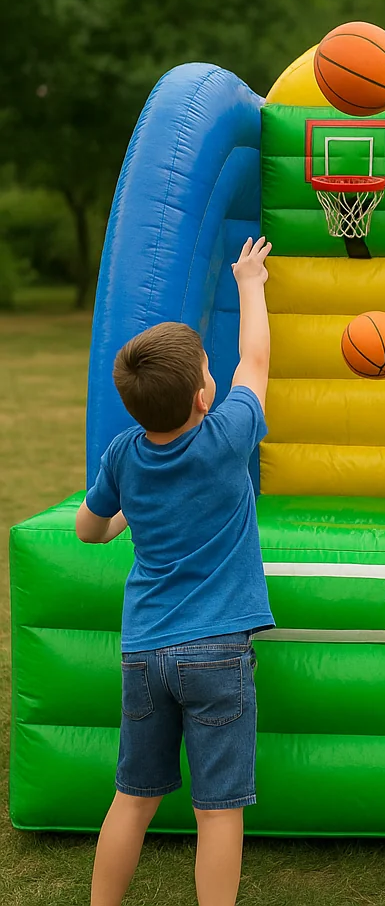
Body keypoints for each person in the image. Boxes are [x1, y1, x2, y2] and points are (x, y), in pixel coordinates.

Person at [75, 236, 275, 906]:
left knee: (133, 798)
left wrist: (121, 519)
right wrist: (250, 283)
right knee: (217, 811)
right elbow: (255, 359)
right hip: (216, 652)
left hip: (145, 653)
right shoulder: (227, 435)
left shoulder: (123, 455)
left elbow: (88, 528)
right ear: (201, 397)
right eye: (208, 373)